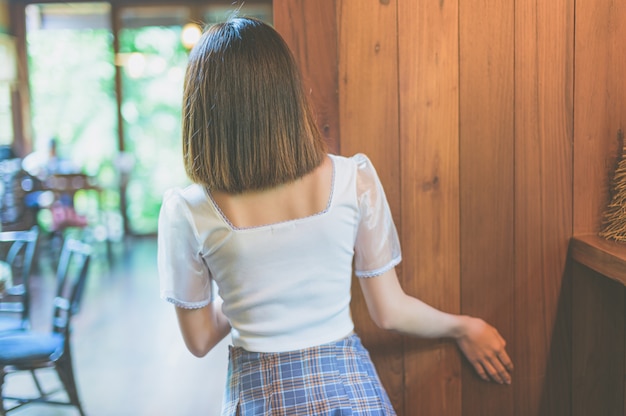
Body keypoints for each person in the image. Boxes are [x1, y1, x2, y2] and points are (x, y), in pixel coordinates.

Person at [158, 16, 513, 415]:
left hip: (260, 396)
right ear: (286, 93)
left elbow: (200, 339)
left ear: (202, 109)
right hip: (351, 391)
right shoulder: (352, 179)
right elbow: (390, 311)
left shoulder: (187, 211)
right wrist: (464, 326)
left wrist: (247, 295)